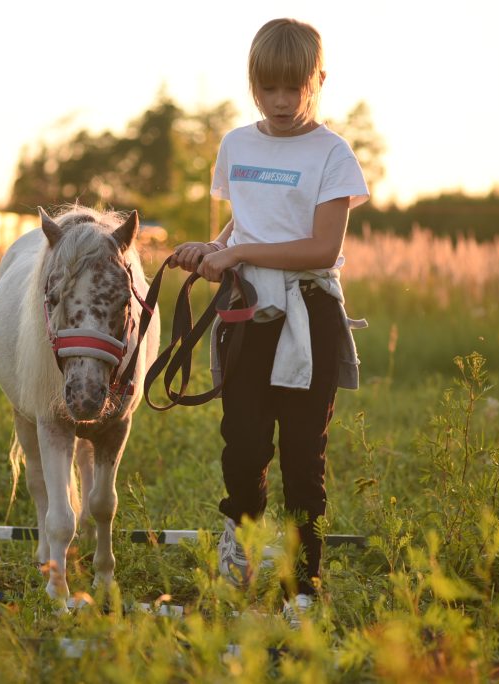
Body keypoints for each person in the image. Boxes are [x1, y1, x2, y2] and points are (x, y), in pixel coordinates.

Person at [170, 17, 370, 617]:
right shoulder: (236, 145)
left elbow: (321, 248)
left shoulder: (333, 154)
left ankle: (303, 583)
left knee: (303, 455)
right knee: (243, 441)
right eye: (268, 89)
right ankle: (243, 557)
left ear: (319, 81)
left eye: (295, 87)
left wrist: (240, 251)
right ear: (253, 85)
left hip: (308, 309)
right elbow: (245, 222)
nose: (282, 102)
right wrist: (214, 247)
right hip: (246, 309)